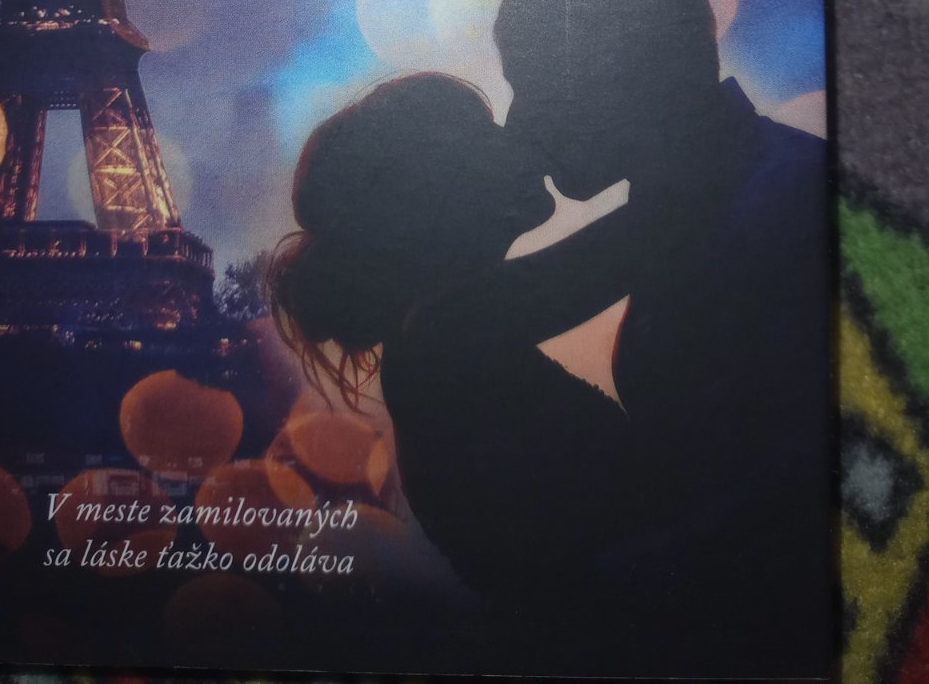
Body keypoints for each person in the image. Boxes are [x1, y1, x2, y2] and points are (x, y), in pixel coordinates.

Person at [493, 0, 831, 675]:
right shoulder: (738, 199)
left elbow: (803, 488)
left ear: (611, 66)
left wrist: (596, 603)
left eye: (530, 78)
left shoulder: (788, 207)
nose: (516, 122)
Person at [269, 72, 649, 627]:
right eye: (482, 130)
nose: (510, 133)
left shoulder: (431, 330)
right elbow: (645, 237)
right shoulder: (450, 325)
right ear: (435, 185)